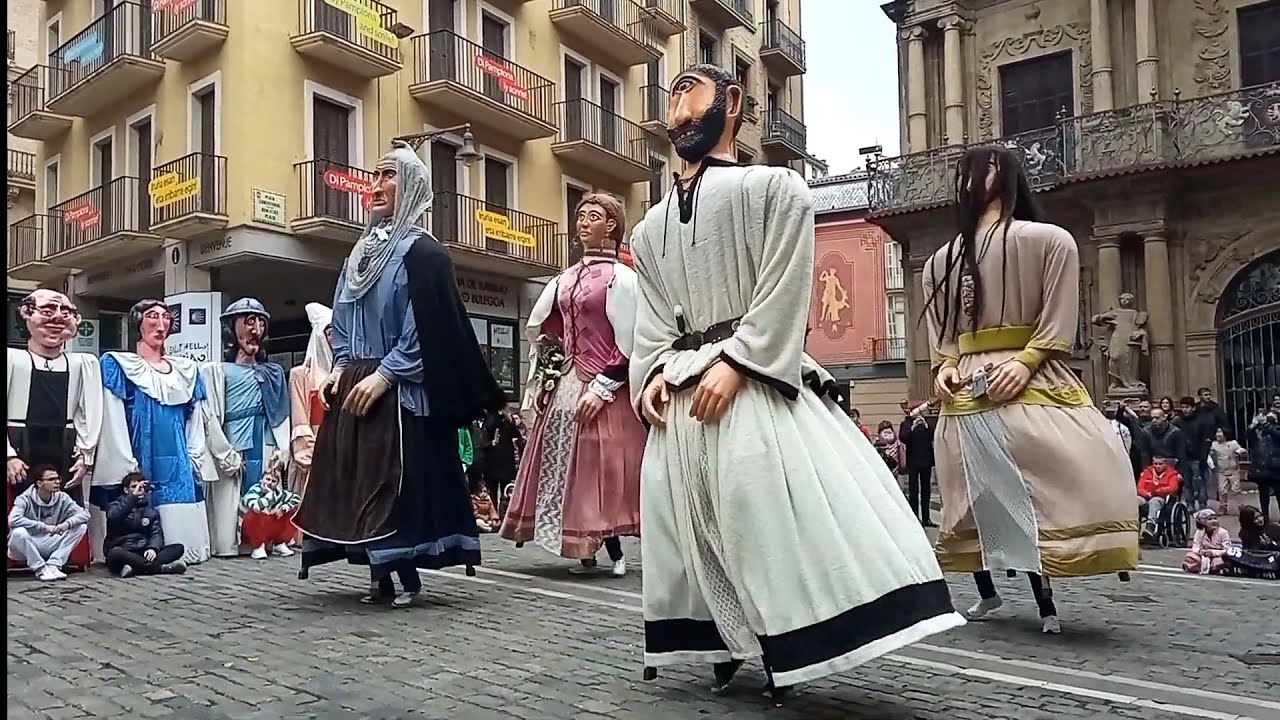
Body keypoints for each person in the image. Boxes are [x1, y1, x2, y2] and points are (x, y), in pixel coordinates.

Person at [631, 64, 962, 701]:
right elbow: (651, 316)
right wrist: (648, 374)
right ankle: (718, 641)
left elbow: (785, 283)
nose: (678, 108)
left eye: (690, 90)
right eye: (671, 95)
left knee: (764, 517)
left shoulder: (774, 188)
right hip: (680, 392)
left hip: (747, 387)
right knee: (686, 523)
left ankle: (787, 641)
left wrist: (740, 362)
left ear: (731, 102)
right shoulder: (649, 230)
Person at [921, 145, 1138, 634]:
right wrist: (944, 367)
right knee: (971, 497)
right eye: (963, 172)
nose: (970, 179)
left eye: (984, 168)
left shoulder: (1050, 241)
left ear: (1006, 176)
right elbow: (945, 334)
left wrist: (1028, 359)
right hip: (965, 389)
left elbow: (1057, 313)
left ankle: (1049, 596)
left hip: (1026, 375)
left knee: (1038, 486)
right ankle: (991, 591)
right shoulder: (938, 263)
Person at [293, 140, 505, 608]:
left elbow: (426, 325)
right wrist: (342, 366)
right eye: (375, 175)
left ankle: (404, 572)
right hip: (358, 379)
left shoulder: (425, 253)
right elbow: (343, 315)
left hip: (403, 389)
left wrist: (387, 374)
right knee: (361, 480)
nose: (376, 184)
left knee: (397, 482)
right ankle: (378, 572)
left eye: (388, 175)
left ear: (411, 185)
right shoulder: (359, 254)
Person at [502, 192, 645, 577]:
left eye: (593, 216)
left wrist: (604, 386)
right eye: (581, 216)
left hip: (606, 385)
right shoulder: (564, 279)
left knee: (601, 465)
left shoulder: (622, 279)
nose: (583, 222)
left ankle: (613, 547)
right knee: (569, 467)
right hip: (566, 381)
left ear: (611, 225)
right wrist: (545, 376)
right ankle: (582, 547)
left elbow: (630, 340)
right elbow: (549, 333)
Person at [95, 299, 211, 566]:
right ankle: (138, 555)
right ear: (138, 323)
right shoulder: (120, 364)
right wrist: (124, 461)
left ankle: (169, 554)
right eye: (152, 317)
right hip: (140, 449)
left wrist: (195, 455)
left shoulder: (186, 370)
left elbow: (195, 421)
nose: (160, 325)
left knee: (178, 503)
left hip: (177, 454)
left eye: (165, 318)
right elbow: (113, 417)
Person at [6, 289, 101, 570]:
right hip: (20, 441)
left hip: (63, 443)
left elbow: (89, 411)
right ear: (26, 315)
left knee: (65, 500)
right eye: (47, 311)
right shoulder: (12, 359)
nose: (57, 319)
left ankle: (62, 557)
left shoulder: (83, 364)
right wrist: (8, 455)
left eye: (65, 312)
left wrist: (85, 454)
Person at [194, 298, 291, 557]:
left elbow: (281, 413)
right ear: (231, 329)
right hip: (233, 441)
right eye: (249, 322)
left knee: (266, 490)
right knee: (232, 496)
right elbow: (209, 415)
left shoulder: (273, 373)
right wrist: (223, 451)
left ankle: (264, 539)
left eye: (261, 323)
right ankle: (233, 542)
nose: (256, 330)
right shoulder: (216, 371)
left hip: (264, 440)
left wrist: (282, 448)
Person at [287, 303, 333, 546]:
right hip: (315, 444)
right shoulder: (301, 375)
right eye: (329, 332)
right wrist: (307, 452)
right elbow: (300, 418)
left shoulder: (346, 372)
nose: (333, 339)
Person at [7, 465, 90, 580]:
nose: (57, 482)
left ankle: (54, 565)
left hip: (49, 541)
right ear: (39, 483)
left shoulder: (62, 497)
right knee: (19, 532)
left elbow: (85, 514)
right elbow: (13, 520)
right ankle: (41, 569)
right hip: (25, 545)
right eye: (51, 479)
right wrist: (44, 527)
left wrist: (66, 524)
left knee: (81, 527)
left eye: (58, 478)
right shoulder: (24, 498)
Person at [103, 472, 187, 577]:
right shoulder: (115, 505)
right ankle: (159, 568)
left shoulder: (150, 511)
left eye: (142, 487)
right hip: (124, 550)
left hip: (143, 550)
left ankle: (135, 569)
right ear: (126, 490)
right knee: (115, 553)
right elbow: (113, 517)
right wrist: (132, 497)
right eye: (134, 486)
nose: (139, 489)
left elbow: (156, 533)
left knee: (178, 548)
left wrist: (153, 548)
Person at [240, 455, 301, 560]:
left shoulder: (279, 493)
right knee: (255, 513)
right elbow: (256, 506)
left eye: (273, 481)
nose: (270, 483)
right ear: (261, 480)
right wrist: (268, 495)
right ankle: (258, 546)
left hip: (271, 527)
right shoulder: (254, 490)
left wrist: (284, 508)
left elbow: (296, 498)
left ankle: (279, 543)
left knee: (293, 510)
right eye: (267, 479)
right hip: (252, 529)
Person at [899, 406, 936, 526]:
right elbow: (903, 438)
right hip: (913, 462)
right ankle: (915, 517)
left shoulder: (926, 423)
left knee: (926, 491)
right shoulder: (906, 423)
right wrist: (912, 428)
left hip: (926, 461)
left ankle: (926, 518)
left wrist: (926, 425)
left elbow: (933, 436)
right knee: (913, 491)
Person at [1248, 401, 1280, 522]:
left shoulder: (1276, 428)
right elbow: (1248, 437)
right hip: (1261, 466)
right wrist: (1253, 425)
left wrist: (1267, 425)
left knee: (1279, 492)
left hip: (1276, 466)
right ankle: (1265, 516)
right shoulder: (1257, 430)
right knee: (1263, 494)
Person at [1137, 456, 1181, 540]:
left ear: (1166, 464)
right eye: (1155, 464)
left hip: (1161, 499)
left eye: (1160, 464)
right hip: (1146, 497)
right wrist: (1146, 493)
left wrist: (1159, 491)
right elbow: (1140, 487)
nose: (1157, 466)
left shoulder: (1172, 474)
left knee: (1155, 501)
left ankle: (1150, 526)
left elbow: (1173, 488)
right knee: (1136, 500)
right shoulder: (1147, 472)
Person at [1208, 427, 1245, 515]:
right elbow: (1209, 456)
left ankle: (1241, 508)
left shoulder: (1233, 444)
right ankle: (1223, 507)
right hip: (1221, 471)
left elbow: (1242, 450)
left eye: (1220, 432)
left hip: (1233, 471)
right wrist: (1212, 466)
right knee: (1222, 490)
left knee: (1236, 490)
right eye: (1217, 432)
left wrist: (1239, 452)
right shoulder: (1214, 445)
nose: (1218, 434)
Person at [1182, 509, 1231, 574]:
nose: (1214, 521)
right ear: (1203, 522)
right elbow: (1195, 546)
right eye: (1210, 519)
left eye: (1215, 518)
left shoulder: (1223, 532)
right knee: (1190, 557)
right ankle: (1205, 567)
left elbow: (1227, 550)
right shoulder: (1199, 532)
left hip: (1218, 555)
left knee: (1220, 561)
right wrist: (1201, 551)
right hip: (1203, 555)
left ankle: (1216, 568)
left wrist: (1212, 553)